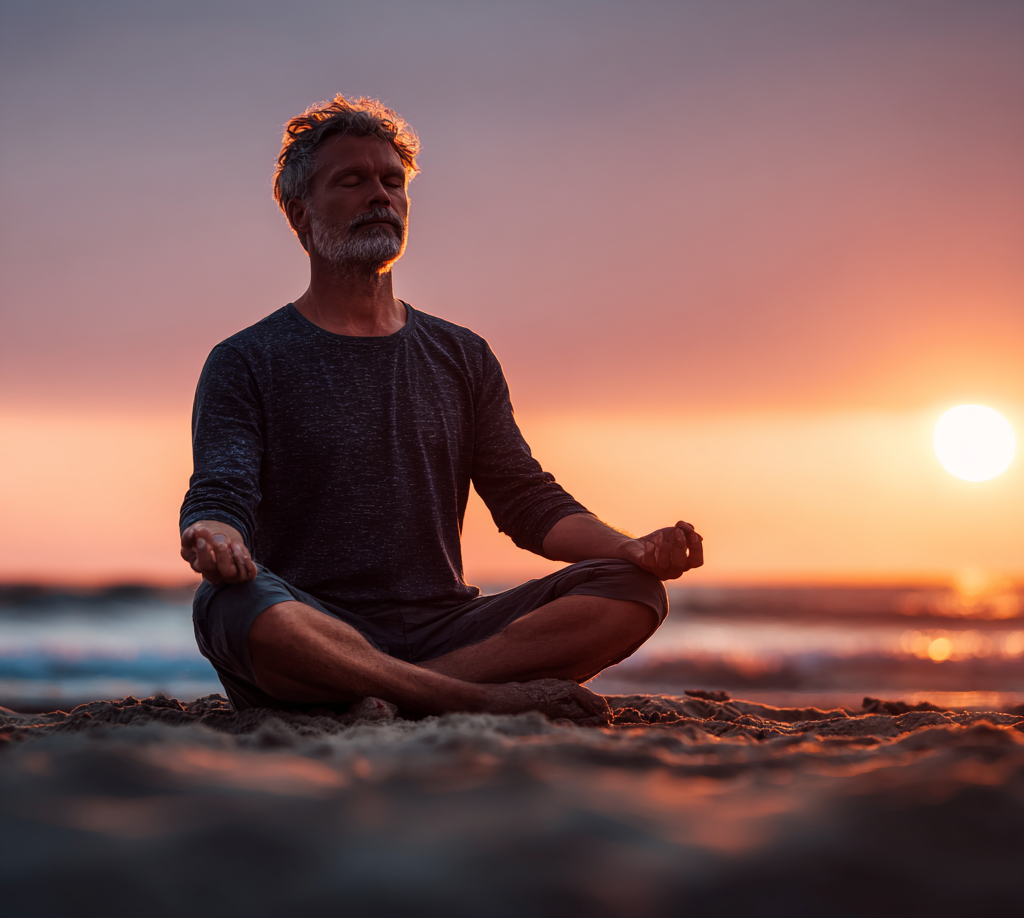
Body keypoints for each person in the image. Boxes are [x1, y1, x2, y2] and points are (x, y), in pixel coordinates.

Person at [179, 95, 703, 724]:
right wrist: (215, 537)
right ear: (300, 213)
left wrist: (633, 550)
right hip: (313, 625)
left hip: (447, 628)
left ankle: (396, 692)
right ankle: (470, 699)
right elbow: (221, 494)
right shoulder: (248, 359)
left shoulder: (461, 354)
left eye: (391, 182)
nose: (380, 196)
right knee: (228, 605)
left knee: (631, 591)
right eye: (352, 181)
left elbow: (526, 502)